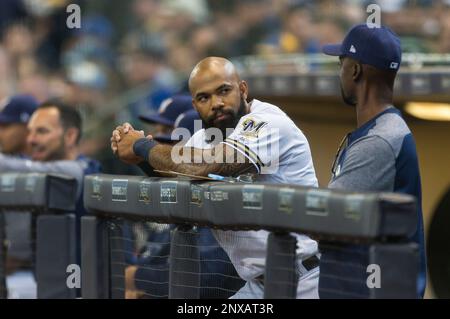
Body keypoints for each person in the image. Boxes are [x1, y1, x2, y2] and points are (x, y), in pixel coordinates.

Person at [111, 57, 320, 298]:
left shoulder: (268, 122)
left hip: (303, 280)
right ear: (195, 105)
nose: (217, 103)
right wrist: (138, 156)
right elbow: (178, 179)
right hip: (257, 285)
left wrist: (142, 147)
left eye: (224, 91)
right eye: (204, 97)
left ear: (242, 89)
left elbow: (209, 165)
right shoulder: (203, 139)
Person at [321, 24, 426, 298]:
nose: (339, 72)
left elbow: (321, 219)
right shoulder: (381, 130)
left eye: (341, 63)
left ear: (354, 70)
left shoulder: (379, 141)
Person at [125, 108, 245, 299]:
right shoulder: (188, 197)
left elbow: (205, 278)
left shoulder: (219, 196)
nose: (166, 160)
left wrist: (136, 278)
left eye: (171, 146)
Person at [0, 100, 101, 282]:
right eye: (30, 131)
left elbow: (13, 168)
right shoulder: (45, 168)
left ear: (70, 136)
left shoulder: (78, 172)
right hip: (50, 283)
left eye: (42, 131)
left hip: (85, 289)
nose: (31, 139)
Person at [0, 94, 38, 298]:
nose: (0, 133)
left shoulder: (59, 164)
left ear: (27, 126)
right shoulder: (11, 160)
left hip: (45, 272)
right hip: (16, 273)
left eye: (6, 126)